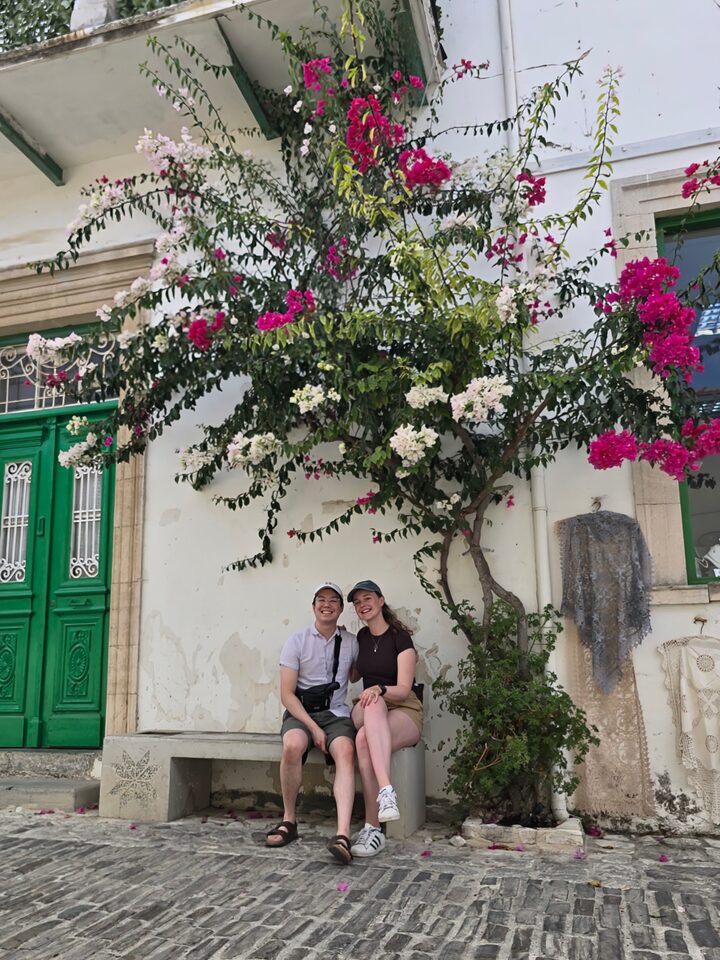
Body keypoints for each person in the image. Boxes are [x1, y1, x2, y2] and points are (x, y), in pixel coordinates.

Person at [267, 581, 359, 864]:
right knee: (292, 745)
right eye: (321, 599)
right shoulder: (297, 641)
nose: (327, 604)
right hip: (301, 713)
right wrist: (314, 728)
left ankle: (342, 834)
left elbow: (356, 675)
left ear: (341, 609)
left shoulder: (352, 642)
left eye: (334, 600)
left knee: (345, 750)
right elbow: (286, 695)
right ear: (313, 606)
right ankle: (289, 820)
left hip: (337, 714)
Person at [347, 580, 423, 858]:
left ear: (380, 600)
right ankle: (386, 792)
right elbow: (353, 675)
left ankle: (373, 827)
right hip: (369, 706)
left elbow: (403, 689)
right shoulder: (360, 640)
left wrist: (379, 688)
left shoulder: (400, 639)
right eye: (356, 602)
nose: (362, 605)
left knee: (363, 739)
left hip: (404, 708)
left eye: (367, 598)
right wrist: (342, 643)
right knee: (372, 705)